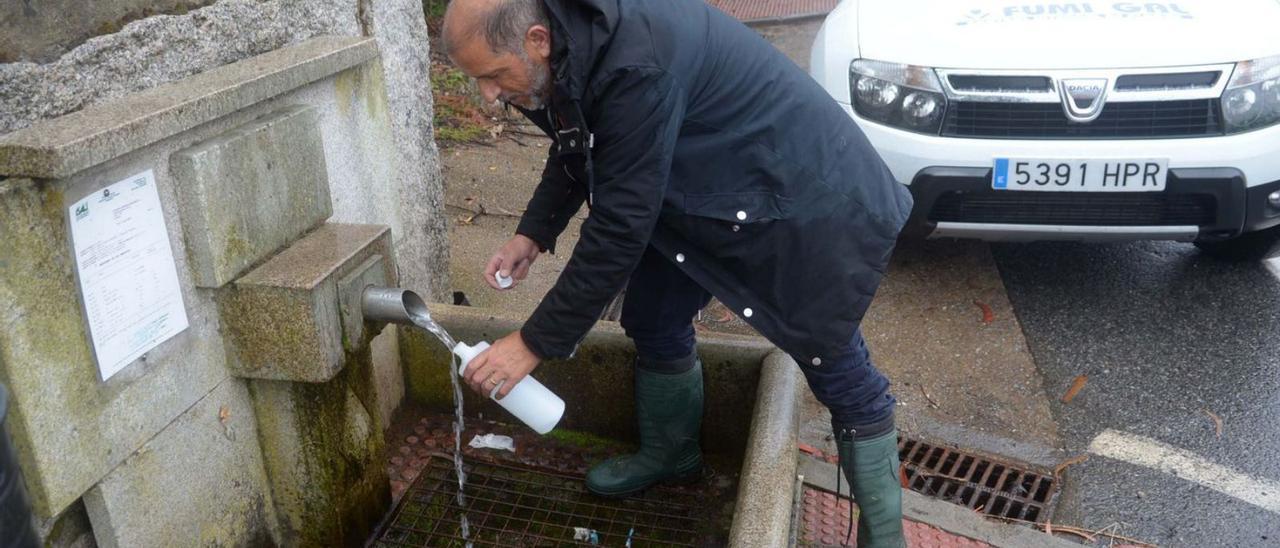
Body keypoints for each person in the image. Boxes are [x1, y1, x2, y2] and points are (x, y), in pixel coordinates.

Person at [442, 0, 913, 545]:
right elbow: (580, 139)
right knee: (653, 315)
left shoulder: (635, 64)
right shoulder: (569, 49)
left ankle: (885, 538)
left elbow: (619, 227)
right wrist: (533, 232)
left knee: (831, 357)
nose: (489, 95)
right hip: (703, 186)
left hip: (800, 194)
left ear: (537, 40)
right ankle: (672, 455)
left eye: (494, 77)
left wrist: (533, 342)